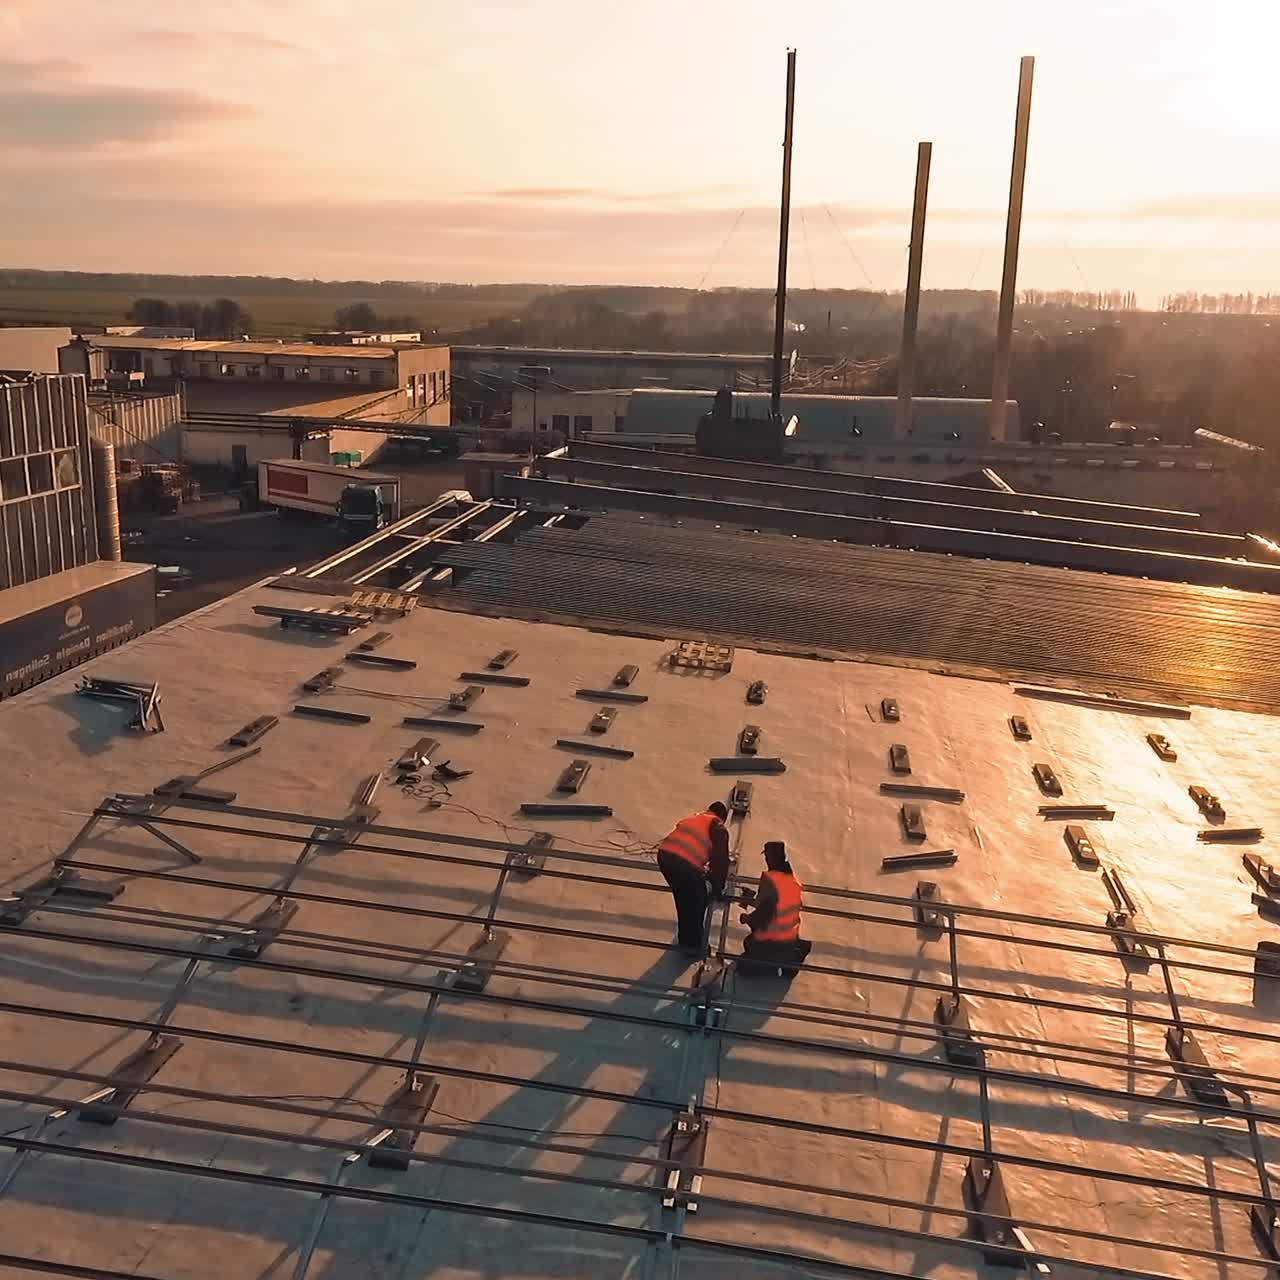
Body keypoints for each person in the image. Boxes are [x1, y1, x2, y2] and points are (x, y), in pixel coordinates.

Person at [657, 801, 731, 951]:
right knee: (698, 901)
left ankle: (686, 940)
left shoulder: (693, 818)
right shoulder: (717, 825)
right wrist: (718, 888)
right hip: (685, 864)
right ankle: (694, 946)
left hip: (665, 857)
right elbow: (721, 861)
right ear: (722, 817)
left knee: (683, 898)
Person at [738, 841, 811, 977]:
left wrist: (747, 918)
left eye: (767, 856)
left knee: (743, 966)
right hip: (789, 936)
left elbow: (764, 914)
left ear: (771, 857)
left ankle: (791, 957)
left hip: (773, 939)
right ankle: (791, 954)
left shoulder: (772, 880)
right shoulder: (791, 879)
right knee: (750, 943)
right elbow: (777, 906)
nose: (766, 859)